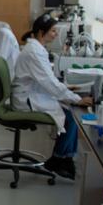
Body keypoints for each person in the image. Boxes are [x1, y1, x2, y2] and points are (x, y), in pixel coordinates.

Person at [11, 13, 93, 180]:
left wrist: (68, 89)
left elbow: (47, 80)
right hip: (26, 100)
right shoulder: (34, 52)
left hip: (32, 94)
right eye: (54, 31)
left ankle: (63, 158)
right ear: (42, 32)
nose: (56, 34)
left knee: (68, 113)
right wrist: (77, 98)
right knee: (71, 116)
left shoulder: (36, 49)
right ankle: (60, 159)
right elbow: (50, 83)